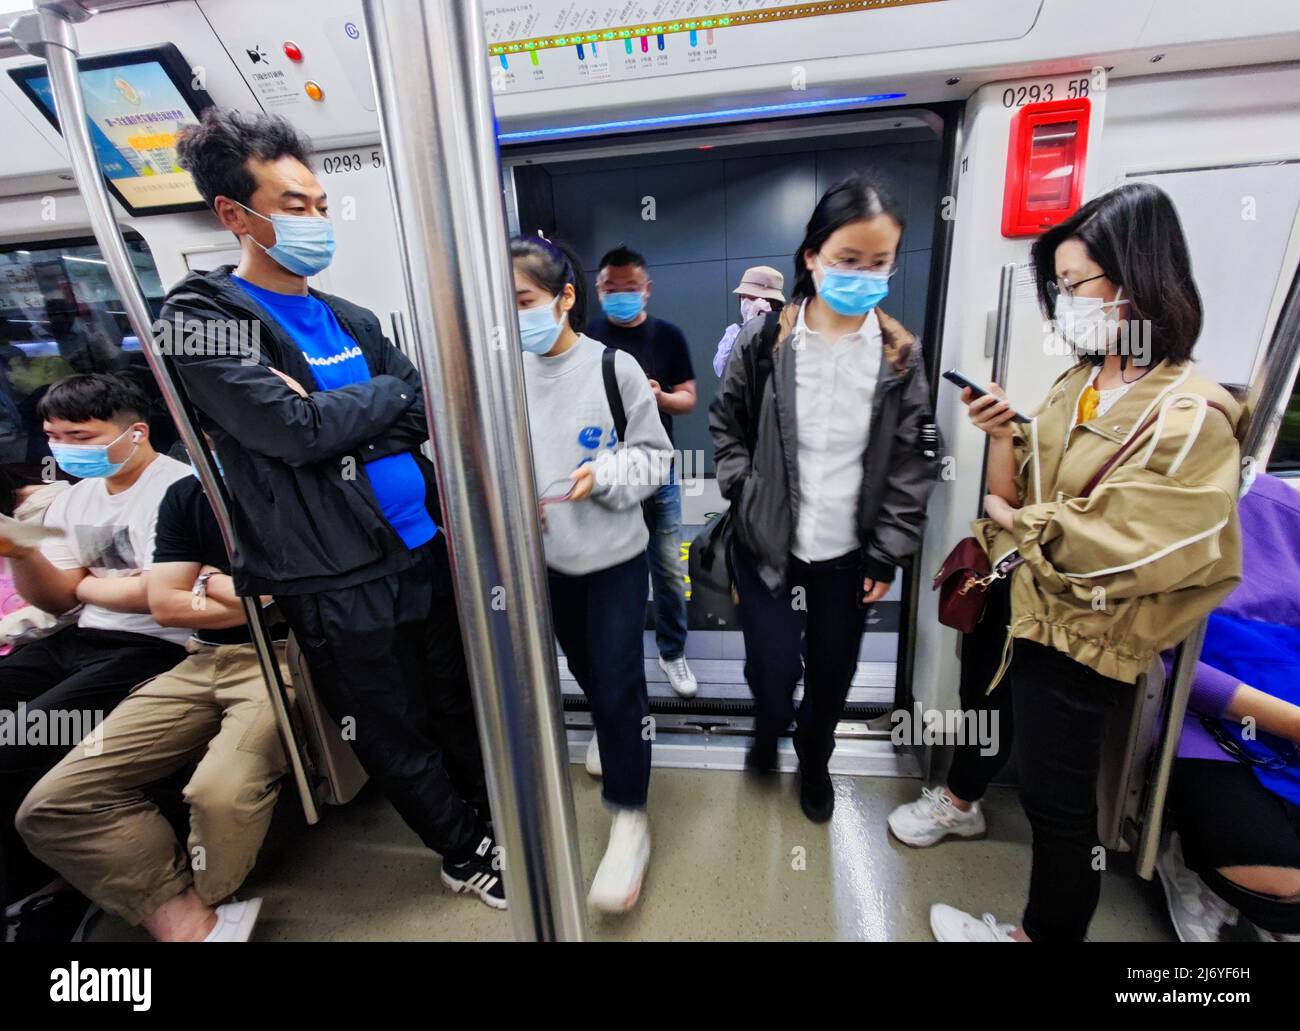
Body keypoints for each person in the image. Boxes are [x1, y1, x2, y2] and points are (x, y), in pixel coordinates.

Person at [162, 108, 501, 909]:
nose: (314, 221)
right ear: (235, 216)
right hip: (332, 571)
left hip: (418, 545)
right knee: (391, 724)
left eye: (318, 204)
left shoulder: (351, 317)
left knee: (456, 701)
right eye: (292, 206)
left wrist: (340, 406)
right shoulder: (201, 322)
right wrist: (361, 404)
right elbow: (289, 430)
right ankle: (461, 850)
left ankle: (486, 815)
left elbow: (425, 408)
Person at [931, 182, 1243, 943]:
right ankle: (965, 814)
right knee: (1024, 764)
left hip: (1088, 638)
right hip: (1027, 610)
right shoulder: (1081, 382)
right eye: (1061, 288)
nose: (1066, 303)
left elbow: (1117, 549)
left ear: (1136, 282)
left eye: (1076, 286)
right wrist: (1002, 434)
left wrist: (1019, 522)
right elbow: (1018, 495)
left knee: (1062, 809)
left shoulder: (1189, 415)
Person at [709, 174, 938, 823]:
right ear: (812, 256)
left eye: (878, 263)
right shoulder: (765, 341)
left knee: (832, 676)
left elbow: (916, 456)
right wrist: (743, 488)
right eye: (847, 260)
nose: (862, 275)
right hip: (768, 544)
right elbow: (725, 426)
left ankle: (814, 756)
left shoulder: (899, 353)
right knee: (773, 666)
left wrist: (887, 551)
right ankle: (767, 725)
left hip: (848, 557)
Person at [17, 444, 291, 942]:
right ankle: (193, 925)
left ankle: (195, 911)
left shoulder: (307, 486)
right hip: (198, 656)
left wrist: (202, 583)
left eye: (80, 434)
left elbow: (274, 594)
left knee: (216, 796)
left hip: (282, 655)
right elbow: (166, 604)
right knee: (54, 801)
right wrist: (215, 586)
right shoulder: (186, 494)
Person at [513, 235, 673, 912]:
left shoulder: (615, 370)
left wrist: (603, 473)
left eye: (524, 300)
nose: (515, 316)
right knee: (584, 669)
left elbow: (655, 459)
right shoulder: (504, 376)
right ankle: (620, 726)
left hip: (612, 558)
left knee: (615, 681)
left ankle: (630, 817)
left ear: (566, 296)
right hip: (546, 564)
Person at [0, 373, 191, 938]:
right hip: (81, 637)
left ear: (135, 432)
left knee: (18, 741)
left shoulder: (175, 490)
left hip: (153, 646)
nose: (64, 449)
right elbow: (56, 596)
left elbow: (163, 599)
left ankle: (53, 886)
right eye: (54, 436)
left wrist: (85, 583)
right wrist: (19, 551)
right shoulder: (76, 497)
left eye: (81, 437)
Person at [1154, 471, 1300, 943]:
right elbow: (1155, 655)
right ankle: (1185, 855)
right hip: (1208, 714)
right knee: (1283, 894)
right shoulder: (1180, 493)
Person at [587, 246, 698, 699]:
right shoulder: (587, 338)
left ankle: (672, 652)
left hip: (658, 470)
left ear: (646, 290)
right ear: (597, 290)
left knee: (668, 566)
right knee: (614, 571)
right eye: (610, 289)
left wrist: (659, 396)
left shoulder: (667, 336)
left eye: (629, 289)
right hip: (604, 472)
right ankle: (619, 662)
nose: (620, 296)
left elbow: (688, 398)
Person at [713, 265, 786, 377]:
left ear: (772, 303)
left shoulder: (787, 331)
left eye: (752, 298)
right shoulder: (734, 331)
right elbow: (722, 370)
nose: (746, 302)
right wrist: (749, 327)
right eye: (743, 297)